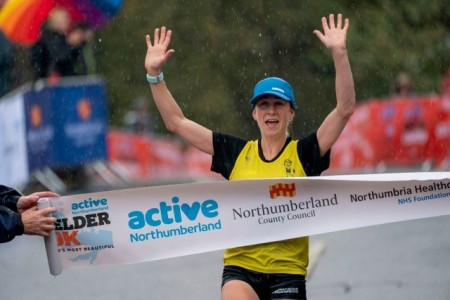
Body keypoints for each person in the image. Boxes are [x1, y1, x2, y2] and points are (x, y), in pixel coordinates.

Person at [144, 13, 355, 300]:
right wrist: (155, 76)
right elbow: (176, 123)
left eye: (278, 105)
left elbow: (344, 109)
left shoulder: (305, 153)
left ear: (290, 113)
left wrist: (339, 54)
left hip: (287, 271)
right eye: (264, 105)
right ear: (254, 113)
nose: (271, 111)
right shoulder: (235, 152)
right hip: (241, 268)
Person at [31, 7, 74, 79]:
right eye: (64, 20)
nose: (67, 22)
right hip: (53, 82)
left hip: (60, 80)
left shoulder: (59, 37)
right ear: (56, 22)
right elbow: (60, 58)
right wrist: (71, 45)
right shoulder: (50, 38)